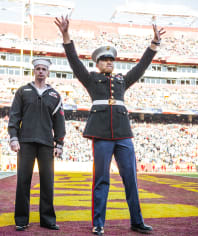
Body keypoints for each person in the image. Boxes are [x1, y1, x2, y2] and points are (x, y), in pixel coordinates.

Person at [55, 15, 165, 235]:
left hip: (123, 134)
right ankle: (98, 223)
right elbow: (74, 62)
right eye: (105, 60)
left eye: (111, 60)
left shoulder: (122, 80)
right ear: (97, 63)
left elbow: (141, 67)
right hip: (102, 134)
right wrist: (66, 35)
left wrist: (154, 44)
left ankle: (137, 221)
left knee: (131, 180)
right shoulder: (91, 79)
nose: (109, 62)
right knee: (101, 180)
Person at [7, 58, 66, 231]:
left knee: (48, 183)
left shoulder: (55, 95)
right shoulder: (22, 91)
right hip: (25, 142)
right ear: (34, 71)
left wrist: (59, 143)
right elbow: (14, 116)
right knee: (23, 182)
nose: (41, 71)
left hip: (47, 144)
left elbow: (60, 122)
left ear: (48, 72)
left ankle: (47, 220)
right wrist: (13, 137)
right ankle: (21, 219)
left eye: (44, 69)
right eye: (38, 68)